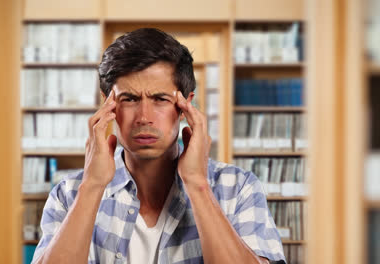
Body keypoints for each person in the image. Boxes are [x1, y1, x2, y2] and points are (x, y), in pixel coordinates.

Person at [32, 28, 286, 264]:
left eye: (160, 99)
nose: (144, 116)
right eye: (129, 99)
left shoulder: (237, 188)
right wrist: (92, 186)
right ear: (108, 106)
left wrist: (197, 185)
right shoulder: (69, 194)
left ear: (186, 106)